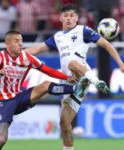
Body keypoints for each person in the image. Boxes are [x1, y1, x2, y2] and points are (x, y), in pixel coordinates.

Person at [24, 4, 124, 150]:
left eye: (71, 15)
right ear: (61, 18)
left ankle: (96, 82)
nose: (69, 18)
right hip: (70, 83)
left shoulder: (83, 30)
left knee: (72, 62)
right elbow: (37, 49)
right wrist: (14, 55)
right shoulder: (57, 37)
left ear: (77, 18)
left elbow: (106, 44)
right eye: (65, 15)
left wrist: (120, 63)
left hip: (83, 74)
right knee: (64, 123)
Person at [0, 30, 85, 150]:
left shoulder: (27, 58)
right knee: (1, 139)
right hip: (2, 101)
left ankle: (76, 89)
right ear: (7, 43)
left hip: (19, 97)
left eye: (21, 41)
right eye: (16, 41)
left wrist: (66, 77)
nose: (20, 44)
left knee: (45, 85)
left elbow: (48, 70)